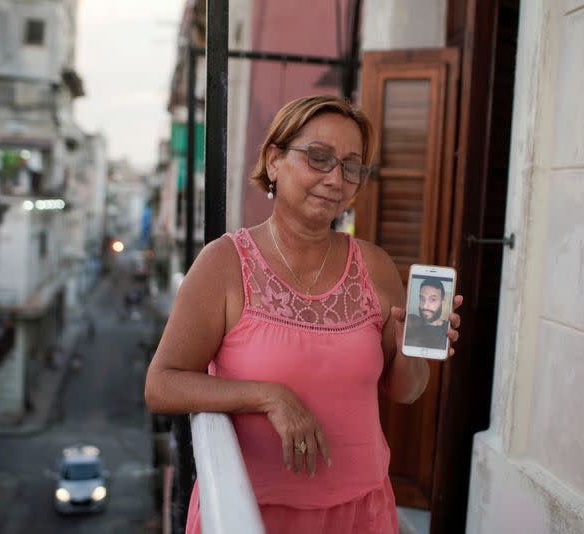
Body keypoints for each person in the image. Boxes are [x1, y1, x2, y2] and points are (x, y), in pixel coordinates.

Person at [144, 95, 463, 534]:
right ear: (274, 160)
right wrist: (269, 396)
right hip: (254, 514)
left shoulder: (374, 265)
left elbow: (404, 391)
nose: (336, 179)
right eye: (319, 157)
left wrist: (416, 348)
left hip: (362, 511)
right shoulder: (224, 264)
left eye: (351, 166)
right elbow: (162, 384)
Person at [404, 278, 450, 349]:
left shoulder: (448, 328)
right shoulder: (410, 322)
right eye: (422, 299)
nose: (425, 306)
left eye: (432, 299)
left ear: (442, 303)